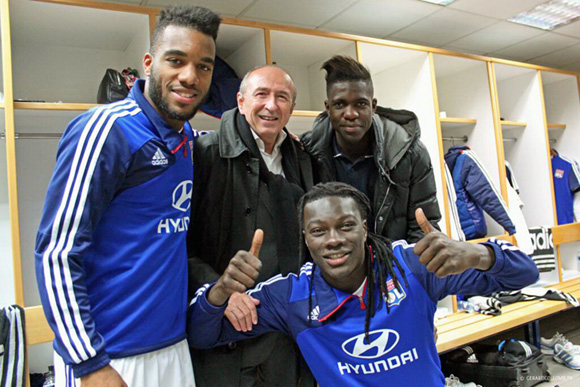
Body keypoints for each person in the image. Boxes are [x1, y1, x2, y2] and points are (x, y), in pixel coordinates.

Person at [188, 182, 540, 386]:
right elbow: (204, 335)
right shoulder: (291, 297)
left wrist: (478, 254)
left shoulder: (412, 266)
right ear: (305, 239)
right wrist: (220, 293)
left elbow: (526, 274)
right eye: (318, 231)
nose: (333, 240)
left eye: (345, 225)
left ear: (365, 227)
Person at [34, 5, 220, 386]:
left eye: (204, 66)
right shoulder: (107, 131)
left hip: (172, 348)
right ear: (148, 63)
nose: (190, 76)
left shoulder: (188, 141)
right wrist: (89, 364)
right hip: (111, 358)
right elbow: (57, 253)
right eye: (176, 60)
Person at [187, 65, 315, 386]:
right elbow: (178, 246)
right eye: (261, 95)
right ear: (241, 102)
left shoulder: (303, 161)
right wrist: (220, 292)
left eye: (282, 97)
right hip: (227, 339)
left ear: (291, 109)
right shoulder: (204, 155)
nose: (271, 105)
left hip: (287, 340)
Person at [302, 55, 441, 243]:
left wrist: (400, 269)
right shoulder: (306, 153)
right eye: (340, 104)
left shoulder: (409, 153)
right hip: (333, 265)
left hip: (394, 264)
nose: (350, 114)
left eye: (360, 103)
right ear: (328, 108)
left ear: (373, 106)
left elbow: (424, 227)